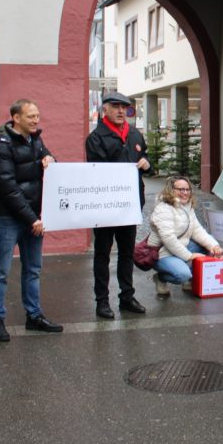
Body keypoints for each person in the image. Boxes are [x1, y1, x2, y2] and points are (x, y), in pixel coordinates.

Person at [0, 99, 61, 342]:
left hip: (34, 219)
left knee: (33, 270)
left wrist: (50, 159)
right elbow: (7, 187)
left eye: (37, 116)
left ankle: (34, 316)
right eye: (31, 116)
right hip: (10, 219)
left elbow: (49, 160)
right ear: (16, 118)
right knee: (1, 271)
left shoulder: (35, 139)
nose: (36, 120)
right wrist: (32, 219)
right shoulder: (1, 144)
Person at [85, 91, 152, 319]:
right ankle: (102, 301)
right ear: (105, 109)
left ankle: (126, 297)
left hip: (130, 205)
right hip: (105, 206)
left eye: (125, 107)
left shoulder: (135, 134)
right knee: (102, 254)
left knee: (126, 253)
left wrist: (146, 164)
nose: (121, 111)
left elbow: (148, 164)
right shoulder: (96, 138)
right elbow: (98, 172)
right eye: (115, 106)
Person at [147, 175, 223, 297]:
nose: (185, 193)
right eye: (181, 189)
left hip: (180, 247)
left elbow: (197, 230)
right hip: (161, 253)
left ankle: (189, 279)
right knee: (183, 275)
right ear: (171, 190)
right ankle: (161, 278)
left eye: (187, 189)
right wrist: (189, 256)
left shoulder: (187, 206)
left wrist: (214, 246)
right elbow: (169, 239)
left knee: (208, 246)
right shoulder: (162, 209)